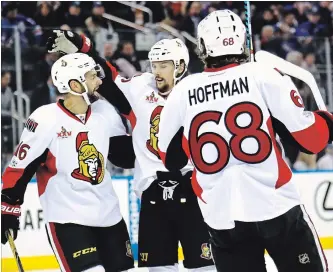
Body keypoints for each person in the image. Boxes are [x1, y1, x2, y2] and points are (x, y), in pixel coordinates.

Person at [157, 10, 333, 272]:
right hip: (276, 208)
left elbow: (171, 159)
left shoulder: (182, 91)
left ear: (203, 45)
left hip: (222, 218)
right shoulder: (264, 75)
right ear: (241, 41)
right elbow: (312, 141)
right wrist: (325, 120)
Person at [47, 30, 216, 272]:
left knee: (206, 267)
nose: (156, 71)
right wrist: (83, 50)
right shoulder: (139, 87)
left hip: (194, 191)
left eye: (163, 65)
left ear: (180, 66)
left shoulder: (198, 91)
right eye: (154, 65)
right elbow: (105, 79)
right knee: (159, 268)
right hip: (153, 195)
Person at [1, 53, 135, 272]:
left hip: (110, 217)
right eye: (92, 76)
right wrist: (9, 208)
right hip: (68, 219)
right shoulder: (45, 119)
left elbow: (124, 158)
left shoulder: (105, 113)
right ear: (75, 84)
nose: (99, 81)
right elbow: (20, 169)